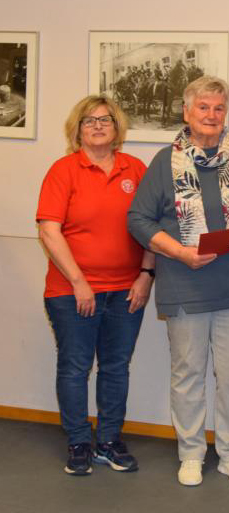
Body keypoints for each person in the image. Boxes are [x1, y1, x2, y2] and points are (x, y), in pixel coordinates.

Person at [127, 76, 229, 487]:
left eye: (219, 108)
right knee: (188, 374)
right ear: (187, 112)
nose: (212, 115)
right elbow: (138, 219)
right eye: (203, 107)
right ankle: (191, 453)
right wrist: (178, 252)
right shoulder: (164, 162)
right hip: (186, 284)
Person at [37, 95, 154, 476]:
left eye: (106, 120)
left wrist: (146, 275)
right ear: (77, 129)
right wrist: (79, 282)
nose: (98, 126)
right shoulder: (63, 170)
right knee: (75, 367)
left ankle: (108, 441)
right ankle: (78, 442)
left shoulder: (135, 169)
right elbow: (49, 231)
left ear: (117, 128)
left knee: (116, 367)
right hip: (71, 292)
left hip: (126, 292)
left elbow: (152, 227)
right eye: (89, 120)